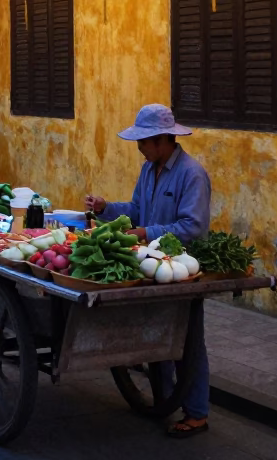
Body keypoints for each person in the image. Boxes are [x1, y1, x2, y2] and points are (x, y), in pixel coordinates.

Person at [84, 103, 212, 438]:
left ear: (161, 139)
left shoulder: (191, 174)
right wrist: (106, 208)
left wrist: (146, 233)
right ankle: (163, 401)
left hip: (183, 270)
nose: (139, 147)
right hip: (152, 266)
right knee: (158, 335)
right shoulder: (148, 169)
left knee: (189, 342)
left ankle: (197, 414)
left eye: (143, 141)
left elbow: (193, 228)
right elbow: (137, 210)